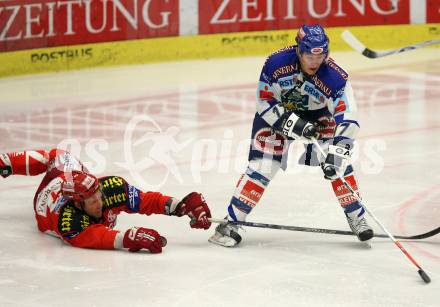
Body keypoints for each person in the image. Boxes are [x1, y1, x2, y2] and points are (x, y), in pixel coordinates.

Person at [209, 24, 373, 247]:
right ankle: (231, 223)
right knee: (264, 165)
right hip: (279, 114)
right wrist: (292, 123)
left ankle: (357, 218)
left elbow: (349, 116)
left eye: (321, 55)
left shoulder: (335, 77)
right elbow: (264, 101)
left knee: (338, 165)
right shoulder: (276, 64)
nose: (315, 62)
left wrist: (336, 153)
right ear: (299, 50)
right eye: (309, 56)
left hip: (319, 118)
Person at [0, 148, 211, 253]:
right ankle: (9, 162)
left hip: (68, 176)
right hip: (47, 198)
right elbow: (96, 236)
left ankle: (7, 162)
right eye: (92, 201)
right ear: (77, 204)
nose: (99, 202)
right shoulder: (66, 220)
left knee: (60, 155)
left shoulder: (106, 188)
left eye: (99, 195)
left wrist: (178, 206)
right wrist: (128, 237)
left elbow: (143, 200)